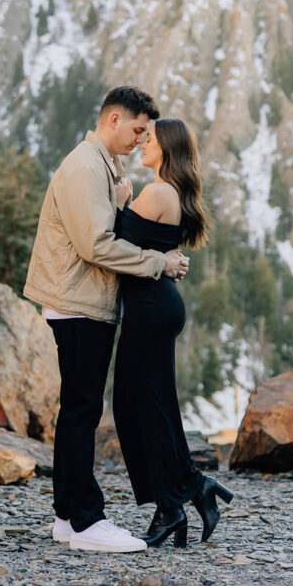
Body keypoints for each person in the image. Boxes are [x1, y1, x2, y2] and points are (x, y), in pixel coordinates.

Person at [24, 86, 189, 553]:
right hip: (78, 304)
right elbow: (95, 245)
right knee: (82, 410)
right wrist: (159, 262)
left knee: (79, 407)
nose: (140, 139)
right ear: (113, 120)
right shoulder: (84, 166)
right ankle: (86, 521)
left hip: (85, 301)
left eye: (146, 133)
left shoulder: (103, 165)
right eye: (137, 129)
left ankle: (66, 518)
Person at [113, 118, 233, 547]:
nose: (144, 141)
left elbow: (113, 243)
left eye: (150, 137)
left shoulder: (157, 191)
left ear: (167, 146)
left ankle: (172, 505)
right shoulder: (172, 192)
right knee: (148, 405)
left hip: (150, 310)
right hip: (155, 307)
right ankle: (189, 491)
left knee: (141, 409)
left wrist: (120, 199)